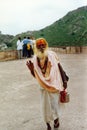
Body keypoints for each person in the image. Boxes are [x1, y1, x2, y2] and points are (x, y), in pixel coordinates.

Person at [26, 38, 68, 130]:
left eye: (43, 45)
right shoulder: (35, 59)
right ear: (36, 47)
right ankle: (48, 124)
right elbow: (37, 76)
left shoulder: (52, 55)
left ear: (46, 45)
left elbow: (59, 67)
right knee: (45, 106)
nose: (41, 47)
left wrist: (64, 80)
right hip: (43, 87)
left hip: (54, 84)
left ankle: (56, 119)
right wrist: (32, 70)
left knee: (55, 105)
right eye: (39, 45)